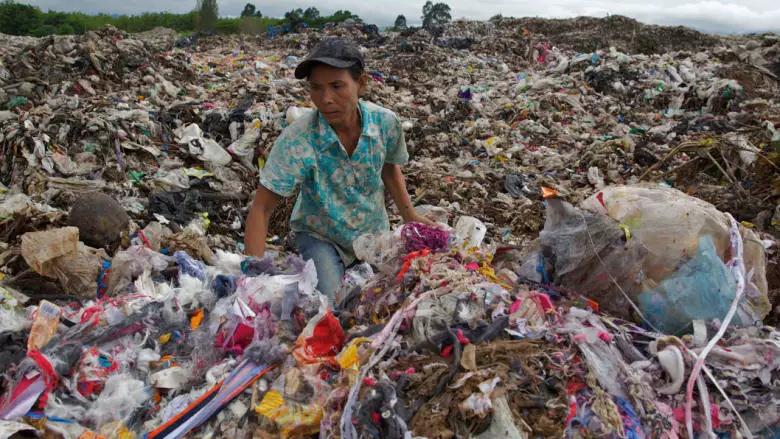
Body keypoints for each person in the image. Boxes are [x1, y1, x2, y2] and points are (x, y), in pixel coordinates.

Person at [244, 38, 431, 302]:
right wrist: (251, 281)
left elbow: (389, 167)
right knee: (333, 305)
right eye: (316, 88)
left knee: (392, 297)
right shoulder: (299, 139)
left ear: (361, 83)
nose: (325, 99)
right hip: (321, 235)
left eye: (336, 86)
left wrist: (410, 216)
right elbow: (262, 208)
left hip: (372, 233)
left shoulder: (385, 124)